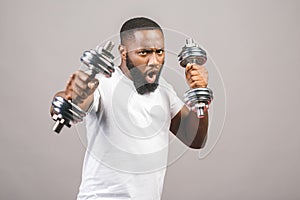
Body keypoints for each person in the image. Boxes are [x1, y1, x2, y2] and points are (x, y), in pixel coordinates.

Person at [51, 17, 209, 200]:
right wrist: (68, 96)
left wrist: (200, 93)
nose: (154, 61)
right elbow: (71, 104)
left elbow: (195, 139)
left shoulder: (165, 90)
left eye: (159, 52)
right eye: (144, 53)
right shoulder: (102, 83)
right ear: (123, 52)